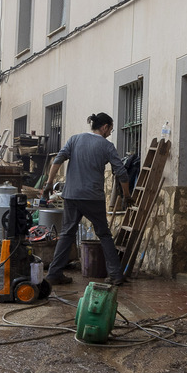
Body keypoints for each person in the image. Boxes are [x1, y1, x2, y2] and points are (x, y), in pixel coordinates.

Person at [40, 113, 131, 286]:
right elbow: (122, 172)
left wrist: (49, 183)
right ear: (104, 127)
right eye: (110, 129)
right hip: (92, 197)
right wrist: (127, 196)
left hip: (72, 195)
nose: (109, 133)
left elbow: (58, 159)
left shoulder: (74, 140)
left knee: (67, 234)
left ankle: (54, 273)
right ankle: (115, 275)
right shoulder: (107, 146)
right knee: (104, 234)